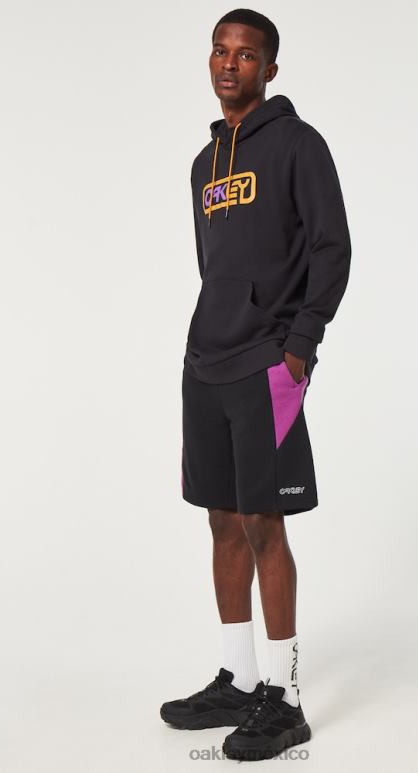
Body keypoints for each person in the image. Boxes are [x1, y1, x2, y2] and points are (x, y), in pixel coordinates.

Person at [160, 8, 351, 762]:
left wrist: (298, 347)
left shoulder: (299, 145)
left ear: (269, 68)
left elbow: (332, 248)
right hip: (205, 362)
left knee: (265, 523)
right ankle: (240, 679)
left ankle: (286, 697)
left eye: (245, 54)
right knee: (220, 519)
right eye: (219, 50)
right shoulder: (204, 164)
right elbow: (213, 266)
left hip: (267, 360)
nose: (228, 63)